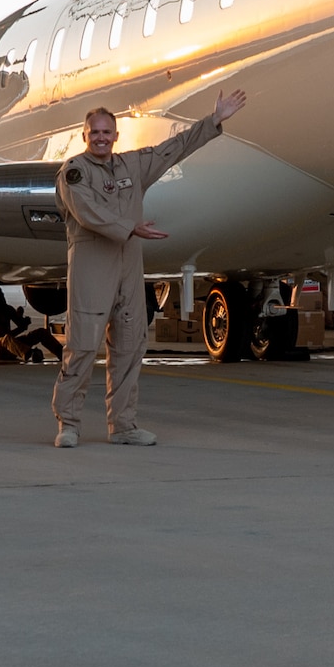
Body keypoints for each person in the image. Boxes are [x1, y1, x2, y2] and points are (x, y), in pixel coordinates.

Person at [51, 89, 247, 447]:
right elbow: (86, 211)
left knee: (129, 346)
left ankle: (123, 426)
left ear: (115, 135)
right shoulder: (74, 172)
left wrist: (213, 120)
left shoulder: (131, 165)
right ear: (84, 136)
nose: (100, 137)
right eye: (94, 132)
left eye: (106, 132)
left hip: (128, 266)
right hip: (92, 267)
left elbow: (171, 149)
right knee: (81, 346)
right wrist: (131, 227)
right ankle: (69, 423)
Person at [0, 286, 63, 364]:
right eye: (0, 297)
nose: (3, 298)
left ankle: (62, 353)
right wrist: (22, 327)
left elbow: (20, 324)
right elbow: (3, 335)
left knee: (41, 332)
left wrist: (22, 319)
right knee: (6, 339)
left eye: (2, 295)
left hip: (12, 345)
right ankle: (29, 354)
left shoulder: (8, 309)